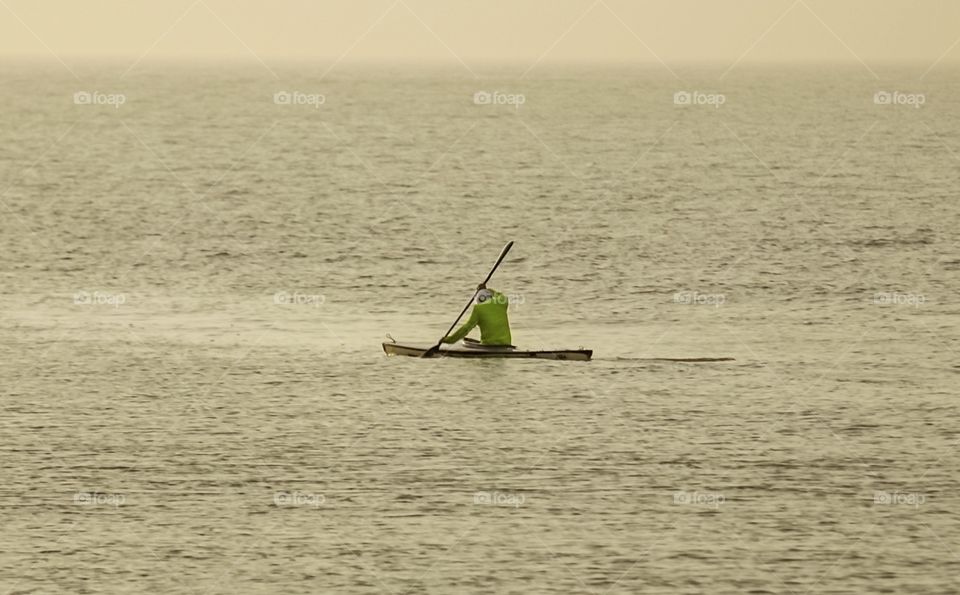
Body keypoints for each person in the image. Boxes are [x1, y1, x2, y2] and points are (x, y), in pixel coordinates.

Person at [442, 283, 512, 346]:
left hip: (489, 344)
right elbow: (498, 294)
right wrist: (486, 289)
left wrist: (450, 340)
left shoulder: (478, 309)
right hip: (506, 343)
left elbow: (466, 328)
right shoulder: (502, 302)